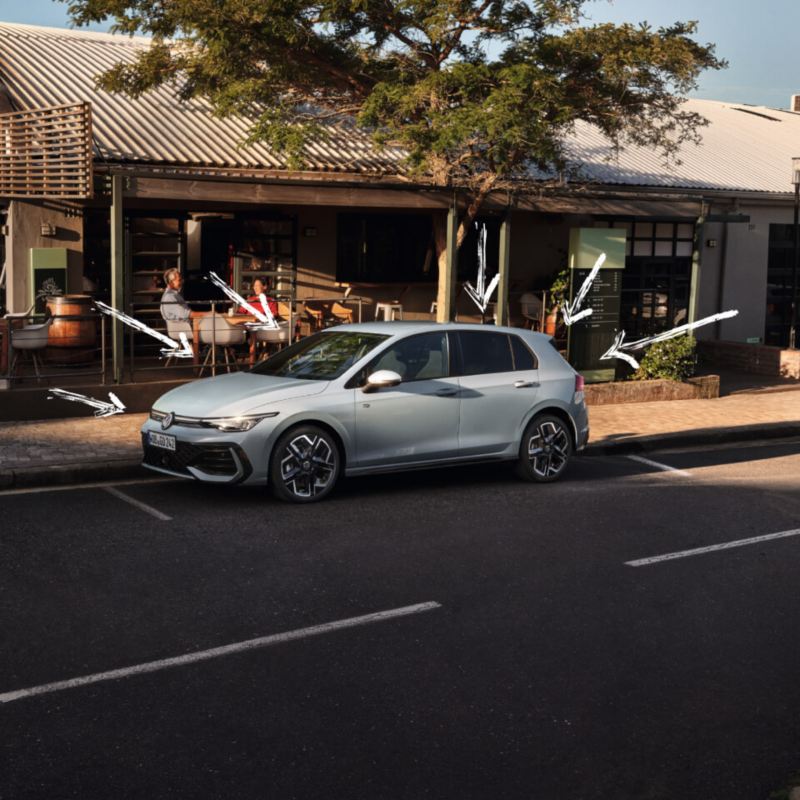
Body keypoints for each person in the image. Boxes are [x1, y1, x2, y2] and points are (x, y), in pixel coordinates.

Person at [160, 268, 206, 359]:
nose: (182, 282)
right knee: (213, 330)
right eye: (179, 280)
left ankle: (209, 355)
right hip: (184, 328)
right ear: (171, 282)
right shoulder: (170, 297)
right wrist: (208, 314)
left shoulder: (174, 295)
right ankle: (210, 357)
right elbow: (187, 314)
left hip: (185, 326)